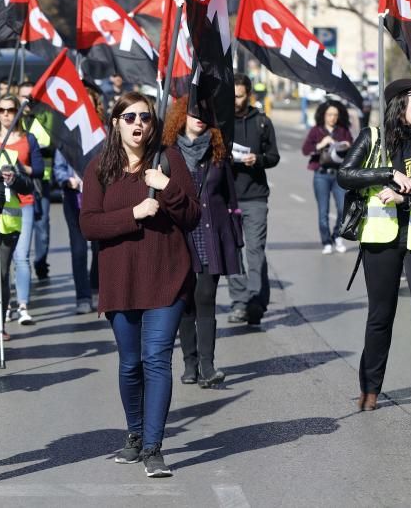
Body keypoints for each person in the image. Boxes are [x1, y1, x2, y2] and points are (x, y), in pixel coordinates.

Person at [79, 92, 200, 477]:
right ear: (115, 122)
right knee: (130, 364)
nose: (137, 124)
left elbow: (193, 216)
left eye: (145, 118)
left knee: (156, 358)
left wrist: (166, 187)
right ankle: (134, 435)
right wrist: (133, 213)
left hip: (167, 275)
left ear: (152, 124)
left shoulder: (169, 160)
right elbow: (89, 225)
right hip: (120, 278)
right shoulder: (99, 169)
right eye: (129, 116)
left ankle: (153, 447)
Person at [337, 79, 411, 422]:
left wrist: (407, 198)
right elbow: (345, 174)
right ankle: (370, 388)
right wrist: (388, 173)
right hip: (381, 237)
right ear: (398, 103)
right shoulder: (374, 139)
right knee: (380, 316)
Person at [163, 96, 242, 388]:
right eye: (193, 112)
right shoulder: (168, 153)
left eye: (204, 114)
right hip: (180, 235)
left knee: (206, 297)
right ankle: (190, 364)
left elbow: (231, 197)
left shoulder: (218, 153)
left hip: (211, 234)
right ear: (181, 116)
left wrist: (235, 236)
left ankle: (208, 366)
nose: (199, 117)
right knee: (185, 302)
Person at [227, 74, 279, 325]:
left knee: (255, 250)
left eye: (239, 95)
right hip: (226, 198)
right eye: (232, 95)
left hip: (255, 197)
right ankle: (239, 302)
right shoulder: (220, 123)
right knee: (233, 252)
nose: (235, 100)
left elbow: (273, 156)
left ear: (248, 95)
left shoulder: (261, 122)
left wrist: (257, 159)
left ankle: (256, 300)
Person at [53, 81, 105, 314]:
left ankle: (96, 288)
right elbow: (58, 168)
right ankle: (82, 296)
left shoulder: (104, 132)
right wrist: (69, 180)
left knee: (99, 247)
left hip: (100, 199)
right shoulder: (67, 133)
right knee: (78, 248)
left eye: (91, 103)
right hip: (74, 198)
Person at [0, 93, 43, 330]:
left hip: (24, 202)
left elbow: (40, 171)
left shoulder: (28, 138)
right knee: (0, 264)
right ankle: (5, 306)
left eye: (10, 110)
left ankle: (22, 305)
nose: (5, 115)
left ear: (18, 113)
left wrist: (20, 168)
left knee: (21, 257)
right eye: (1, 110)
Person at [302, 99, 354, 255]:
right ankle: (326, 241)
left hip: (339, 175)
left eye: (335, 115)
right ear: (323, 115)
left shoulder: (343, 131)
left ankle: (337, 235)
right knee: (323, 212)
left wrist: (347, 146)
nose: (332, 118)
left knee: (342, 209)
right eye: (330, 114)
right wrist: (321, 143)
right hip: (321, 175)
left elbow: (353, 149)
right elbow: (305, 150)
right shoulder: (316, 130)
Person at [17, 80, 53, 282]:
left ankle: (40, 262)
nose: (28, 100)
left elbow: (49, 143)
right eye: (24, 96)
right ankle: (21, 263)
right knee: (21, 226)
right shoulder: (14, 119)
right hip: (19, 181)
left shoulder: (45, 115)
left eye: (31, 96)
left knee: (42, 226)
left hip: (41, 180)